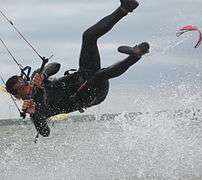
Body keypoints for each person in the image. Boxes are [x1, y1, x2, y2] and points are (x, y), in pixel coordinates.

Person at [5, 0, 150, 137]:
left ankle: (125, 8)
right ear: (17, 96)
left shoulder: (37, 78)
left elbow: (55, 66)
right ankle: (135, 56)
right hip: (88, 96)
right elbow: (45, 132)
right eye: (21, 87)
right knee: (99, 75)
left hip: (83, 75)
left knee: (88, 36)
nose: (25, 84)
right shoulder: (36, 109)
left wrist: (43, 75)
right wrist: (35, 113)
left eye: (23, 80)